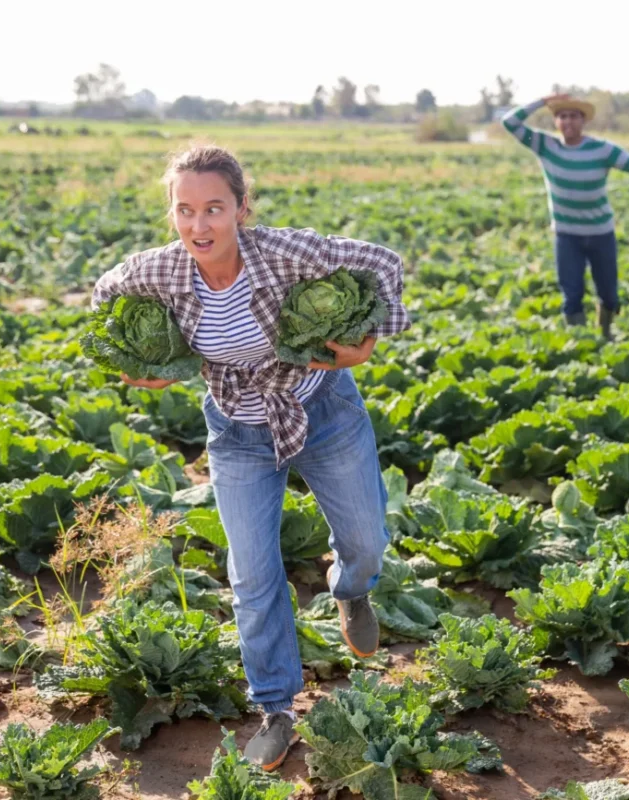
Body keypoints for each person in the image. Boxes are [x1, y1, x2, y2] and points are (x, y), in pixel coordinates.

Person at [90, 143, 409, 771]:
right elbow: (104, 296)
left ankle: (352, 591)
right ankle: (275, 709)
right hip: (237, 429)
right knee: (253, 576)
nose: (198, 225)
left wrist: (365, 345)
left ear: (241, 208)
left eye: (214, 208)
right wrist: (145, 368)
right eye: (184, 210)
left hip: (320, 409)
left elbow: (384, 261)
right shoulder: (157, 272)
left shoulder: (288, 253)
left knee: (367, 541)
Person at [502, 93, 629, 338]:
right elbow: (510, 123)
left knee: (609, 294)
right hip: (567, 236)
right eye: (562, 116)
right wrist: (542, 102)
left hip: (600, 234)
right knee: (571, 294)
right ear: (555, 122)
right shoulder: (544, 145)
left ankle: (605, 333)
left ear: (583, 121)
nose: (568, 122)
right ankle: (579, 342)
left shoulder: (602, 150)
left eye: (574, 116)